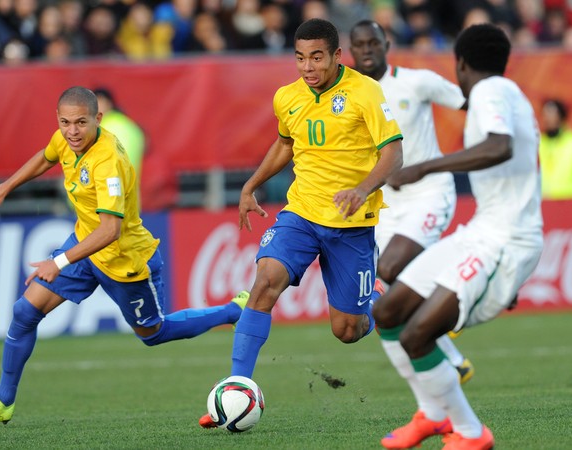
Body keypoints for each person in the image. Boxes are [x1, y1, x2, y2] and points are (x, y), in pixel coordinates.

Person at [0, 86, 248, 425]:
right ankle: (3, 401)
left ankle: (233, 310)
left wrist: (59, 262)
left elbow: (109, 231)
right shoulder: (66, 137)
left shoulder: (108, 162)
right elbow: (46, 156)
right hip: (84, 245)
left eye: (80, 123)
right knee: (25, 311)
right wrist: (2, 189)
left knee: (153, 334)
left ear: (98, 118)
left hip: (125, 261)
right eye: (65, 122)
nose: (72, 131)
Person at [199, 18, 403, 428]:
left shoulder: (365, 91)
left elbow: (393, 153)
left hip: (351, 223)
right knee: (264, 281)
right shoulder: (287, 97)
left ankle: (377, 304)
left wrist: (362, 190)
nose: (307, 67)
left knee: (347, 330)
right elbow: (286, 144)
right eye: (300, 58)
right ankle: (237, 387)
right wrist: (251, 185)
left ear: (336, 56)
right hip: (302, 213)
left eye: (316, 57)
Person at [372, 24, 543, 449]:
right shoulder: (507, 92)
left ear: (461, 64)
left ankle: (470, 433)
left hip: (504, 241)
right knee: (388, 312)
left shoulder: (489, 92)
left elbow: (499, 146)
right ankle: (431, 415)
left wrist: (424, 167)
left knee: (416, 335)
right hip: (483, 233)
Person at [348, 20, 474, 384]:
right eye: (361, 45)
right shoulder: (352, 95)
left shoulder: (417, 81)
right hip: (386, 203)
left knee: (389, 269)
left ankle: (453, 299)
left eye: (374, 42)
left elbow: (467, 101)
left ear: (387, 43)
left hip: (430, 191)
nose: (368, 49)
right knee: (397, 283)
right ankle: (454, 361)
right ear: (352, 51)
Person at [93, 87, 147, 179]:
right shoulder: (130, 126)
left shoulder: (104, 127)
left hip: (108, 187)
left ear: (107, 103)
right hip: (129, 188)